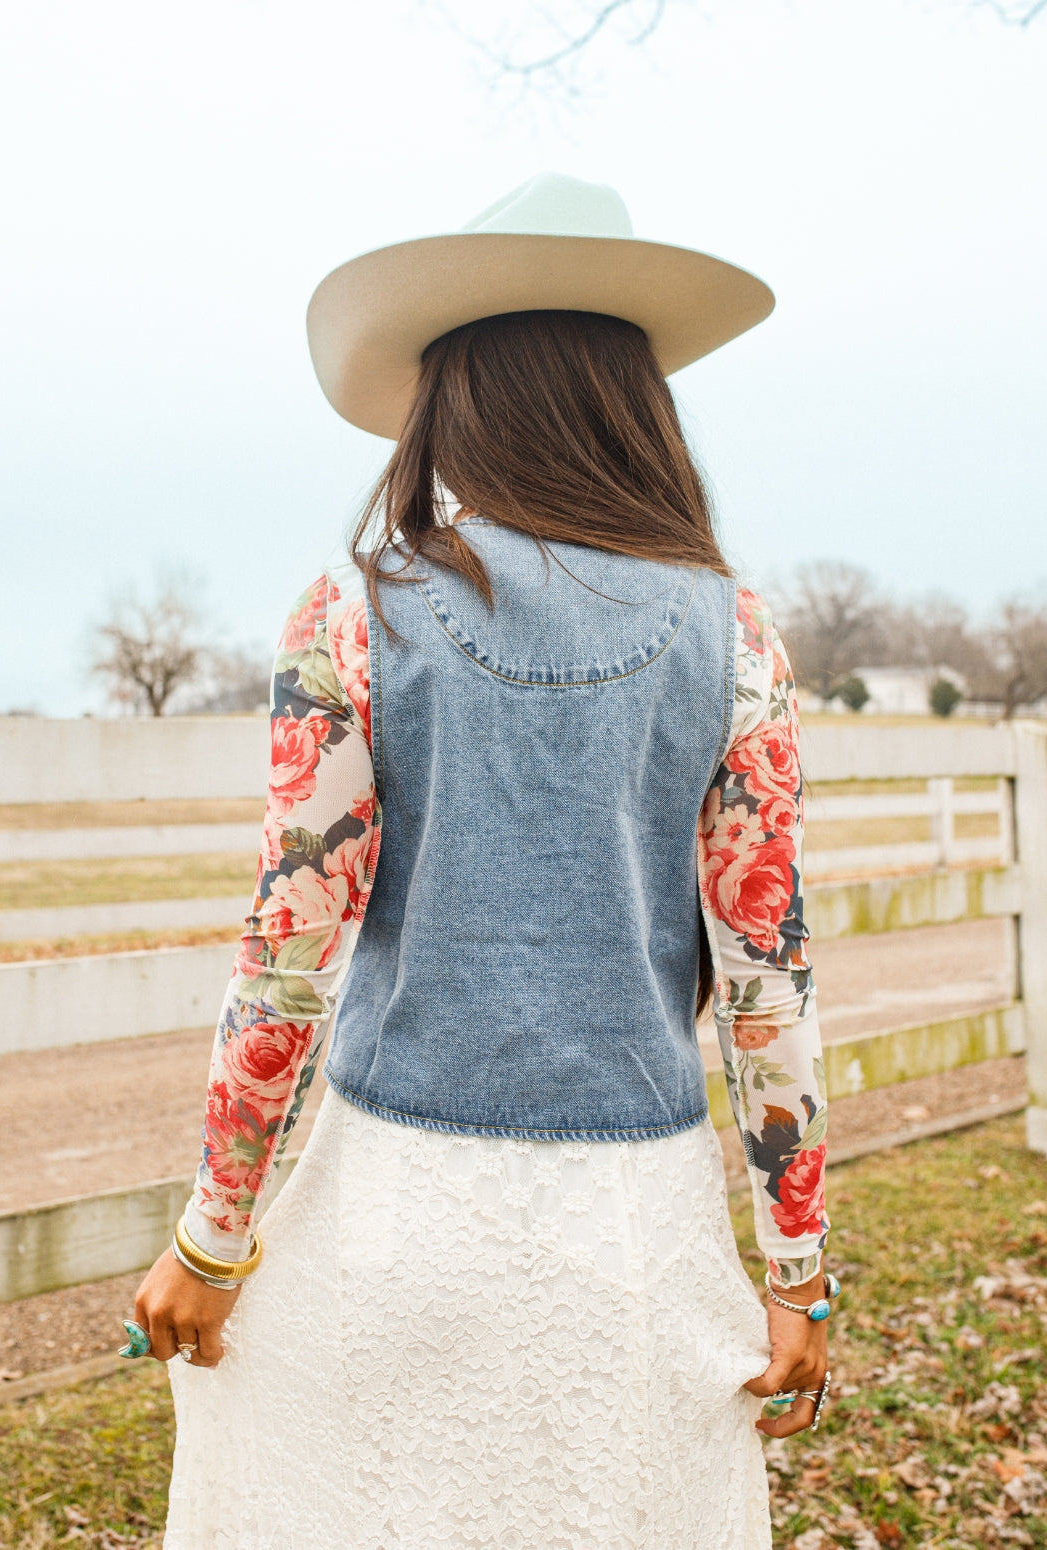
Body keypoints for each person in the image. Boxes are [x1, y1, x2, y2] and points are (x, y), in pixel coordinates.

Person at [129, 173, 833, 1550]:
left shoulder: (353, 615)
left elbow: (286, 960)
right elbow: (768, 984)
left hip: (394, 1208)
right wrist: (800, 1272)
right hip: (634, 1227)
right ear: (632, 397)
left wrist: (215, 1237)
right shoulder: (736, 635)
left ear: (455, 394)